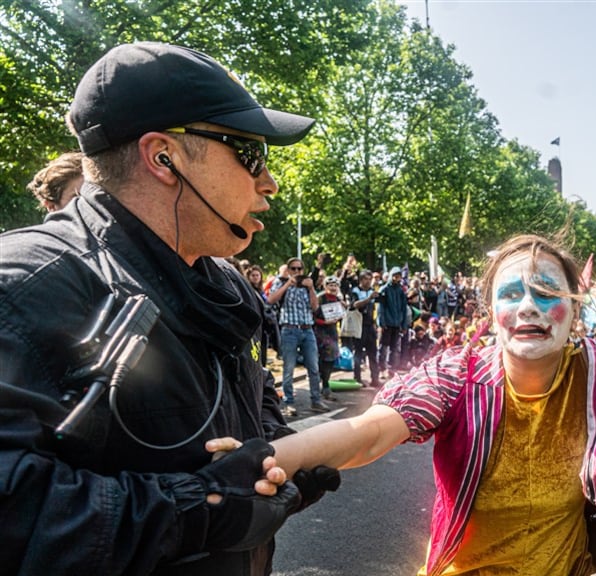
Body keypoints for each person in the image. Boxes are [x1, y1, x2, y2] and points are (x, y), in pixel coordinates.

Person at [0, 42, 335, 575]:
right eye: (250, 154)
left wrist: (279, 460)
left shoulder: (223, 281)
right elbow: (16, 513)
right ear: (163, 157)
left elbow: (256, 403)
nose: (269, 182)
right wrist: (204, 507)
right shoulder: (24, 283)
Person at [270, 234, 596, 576]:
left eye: (546, 292)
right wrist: (264, 460)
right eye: (510, 294)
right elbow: (367, 433)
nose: (527, 307)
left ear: (575, 309)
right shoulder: (457, 375)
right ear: (492, 313)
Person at [268, 257, 328, 416]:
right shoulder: (281, 282)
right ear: (288, 270)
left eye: (299, 269)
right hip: (289, 330)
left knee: (313, 367)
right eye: (293, 269)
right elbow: (270, 300)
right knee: (289, 368)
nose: (296, 271)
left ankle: (316, 400)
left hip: (307, 330)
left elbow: (315, 307)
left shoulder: (307, 284)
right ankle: (288, 403)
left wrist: (311, 288)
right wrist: (288, 283)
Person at [313, 276, 345, 401]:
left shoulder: (338, 299)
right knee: (323, 357)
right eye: (330, 285)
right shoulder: (320, 298)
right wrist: (324, 322)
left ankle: (325, 382)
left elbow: (342, 315)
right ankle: (323, 385)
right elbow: (313, 316)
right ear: (325, 286)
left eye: (335, 285)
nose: (333, 288)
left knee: (331, 358)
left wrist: (343, 308)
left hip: (332, 331)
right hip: (320, 331)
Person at [349, 269, 382, 387]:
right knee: (358, 353)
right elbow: (354, 305)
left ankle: (375, 378)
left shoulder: (372, 291)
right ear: (361, 280)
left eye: (369, 279)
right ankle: (357, 378)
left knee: (372, 353)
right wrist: (368, 299)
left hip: (370, 325)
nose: (368, 281)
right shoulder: (355, 291)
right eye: (365, 279)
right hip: (359, 325)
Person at [376, 266, 409, 376]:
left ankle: (391, 369)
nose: (397, 278)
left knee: (394, 348)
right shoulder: (384, 289)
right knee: (383, 347)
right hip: (387, 323)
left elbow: (404, 309)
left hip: (397, 323)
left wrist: (404, 324)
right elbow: (380, 308)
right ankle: (381, 369)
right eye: (395, 276)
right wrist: (381, 323)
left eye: (399, 276)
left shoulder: (400, 291)